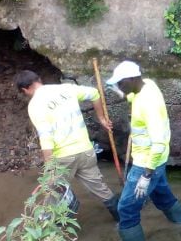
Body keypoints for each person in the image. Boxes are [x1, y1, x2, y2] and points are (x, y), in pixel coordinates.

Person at [14, 70, 120, 221]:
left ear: (25, 89)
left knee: (53, 195)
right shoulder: (66, 88)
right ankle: (123, 221)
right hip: (86, 151)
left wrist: (49, 167)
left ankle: (51, 233)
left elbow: (46, 137)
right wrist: (102, 119)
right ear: (39, 79)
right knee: (101, 189)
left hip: (64, 158)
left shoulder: (35, 105)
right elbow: (95, 93)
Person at [105, 60, 181, 241]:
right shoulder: (147, 85)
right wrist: (120, 92)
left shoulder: (148, 104)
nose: (120, 87)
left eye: (121, 83)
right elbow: (134, 97)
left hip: (147, 163)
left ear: (133, 79)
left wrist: (146, 175)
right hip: (158, 160)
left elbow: (158, 142)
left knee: (126, 208)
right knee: (162, 196)